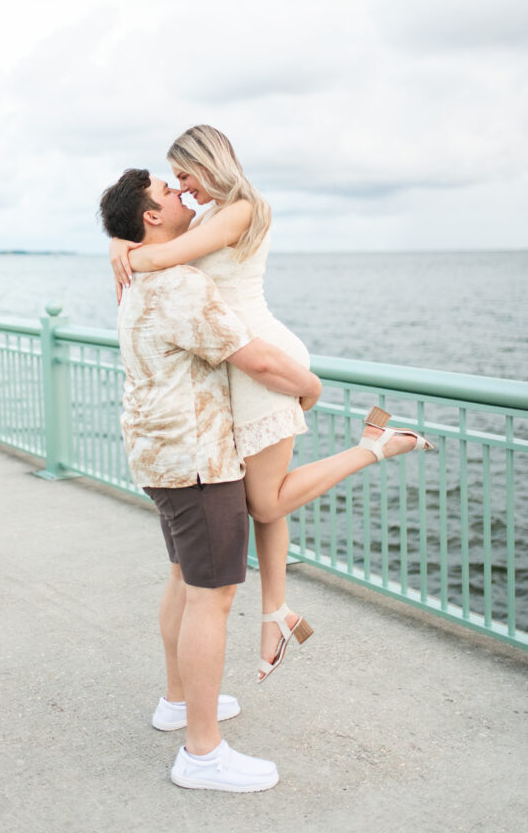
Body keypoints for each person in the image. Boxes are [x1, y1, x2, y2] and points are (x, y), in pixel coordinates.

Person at [99, 168, 432, 791]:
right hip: (199, 460)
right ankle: (202, 753)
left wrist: (118, 245)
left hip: (157, 454)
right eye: (167, 194)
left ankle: (178, 702)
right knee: (212, 596)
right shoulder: (178, 283)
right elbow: (251, 356)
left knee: (183, 578)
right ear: (149, 218)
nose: (179, 195)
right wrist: (310, 386)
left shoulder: (135, 272)